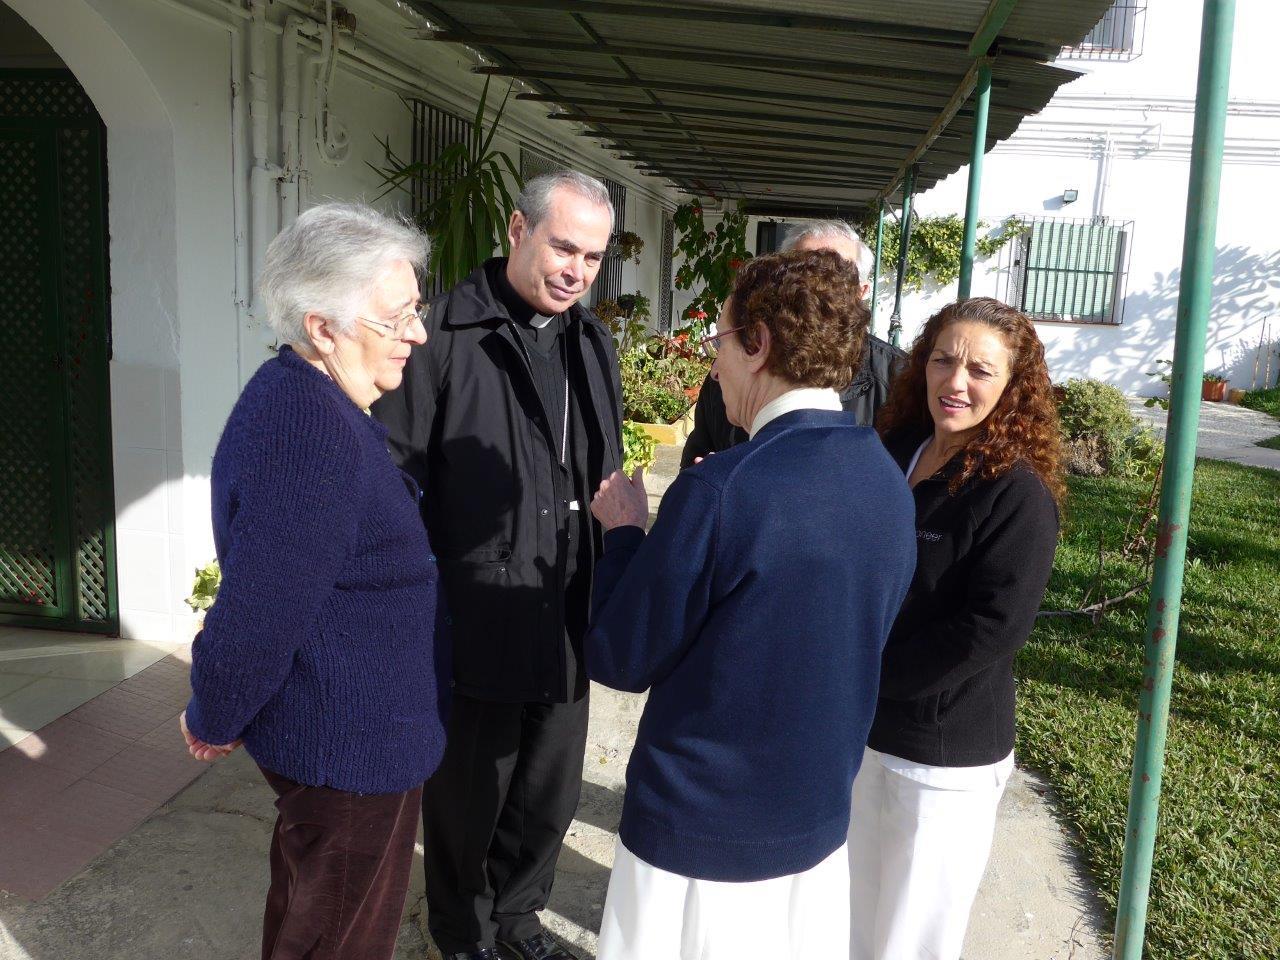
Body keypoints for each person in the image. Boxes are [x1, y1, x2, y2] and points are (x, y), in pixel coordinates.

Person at [586, 250, 917, 959]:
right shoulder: (886, 479)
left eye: (719, 346)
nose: (712, 369)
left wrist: (623, 536)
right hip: (817, 821)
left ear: (758, 343)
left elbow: (620, 654)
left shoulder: (721, 490)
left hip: (699, 833)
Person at [180, 203, 449, 960]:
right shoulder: (306, 430)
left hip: (364, 747)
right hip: (348, 757)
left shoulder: (321, 405)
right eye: (395, 320)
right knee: (331, 940)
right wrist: (214, 712)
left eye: (415, 312)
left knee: (329, 927)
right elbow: (261, 606)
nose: (418, 335)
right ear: (322, 328)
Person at [371, 171, 622, 960]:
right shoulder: (441, 336)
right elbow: (393, 482)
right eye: (564, 246)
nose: (577, 269)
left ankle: (520, 922)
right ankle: (463, 935)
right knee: (468, 802)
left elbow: (602, 468)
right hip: (472, 622)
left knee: (546, 795)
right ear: (518, 230)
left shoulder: (591, 344)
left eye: (593, 256)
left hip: (564, 616)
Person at [847, 297, 1065, 960]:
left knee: (911, 937)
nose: (956, 382)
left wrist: (870, 678)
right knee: (848, 916)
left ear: (1013, 388)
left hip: (941, 754)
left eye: (980, 370)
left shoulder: (1016, 493)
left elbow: (991, 629)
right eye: (943, 360)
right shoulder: (894, 450)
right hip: (860, 731)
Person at [680, 219, 904, 467]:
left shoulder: (898, 379)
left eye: (833, 279)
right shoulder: (729, 369)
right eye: (797, 277)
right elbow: (697, 456)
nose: (811, 291)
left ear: (860, 293)